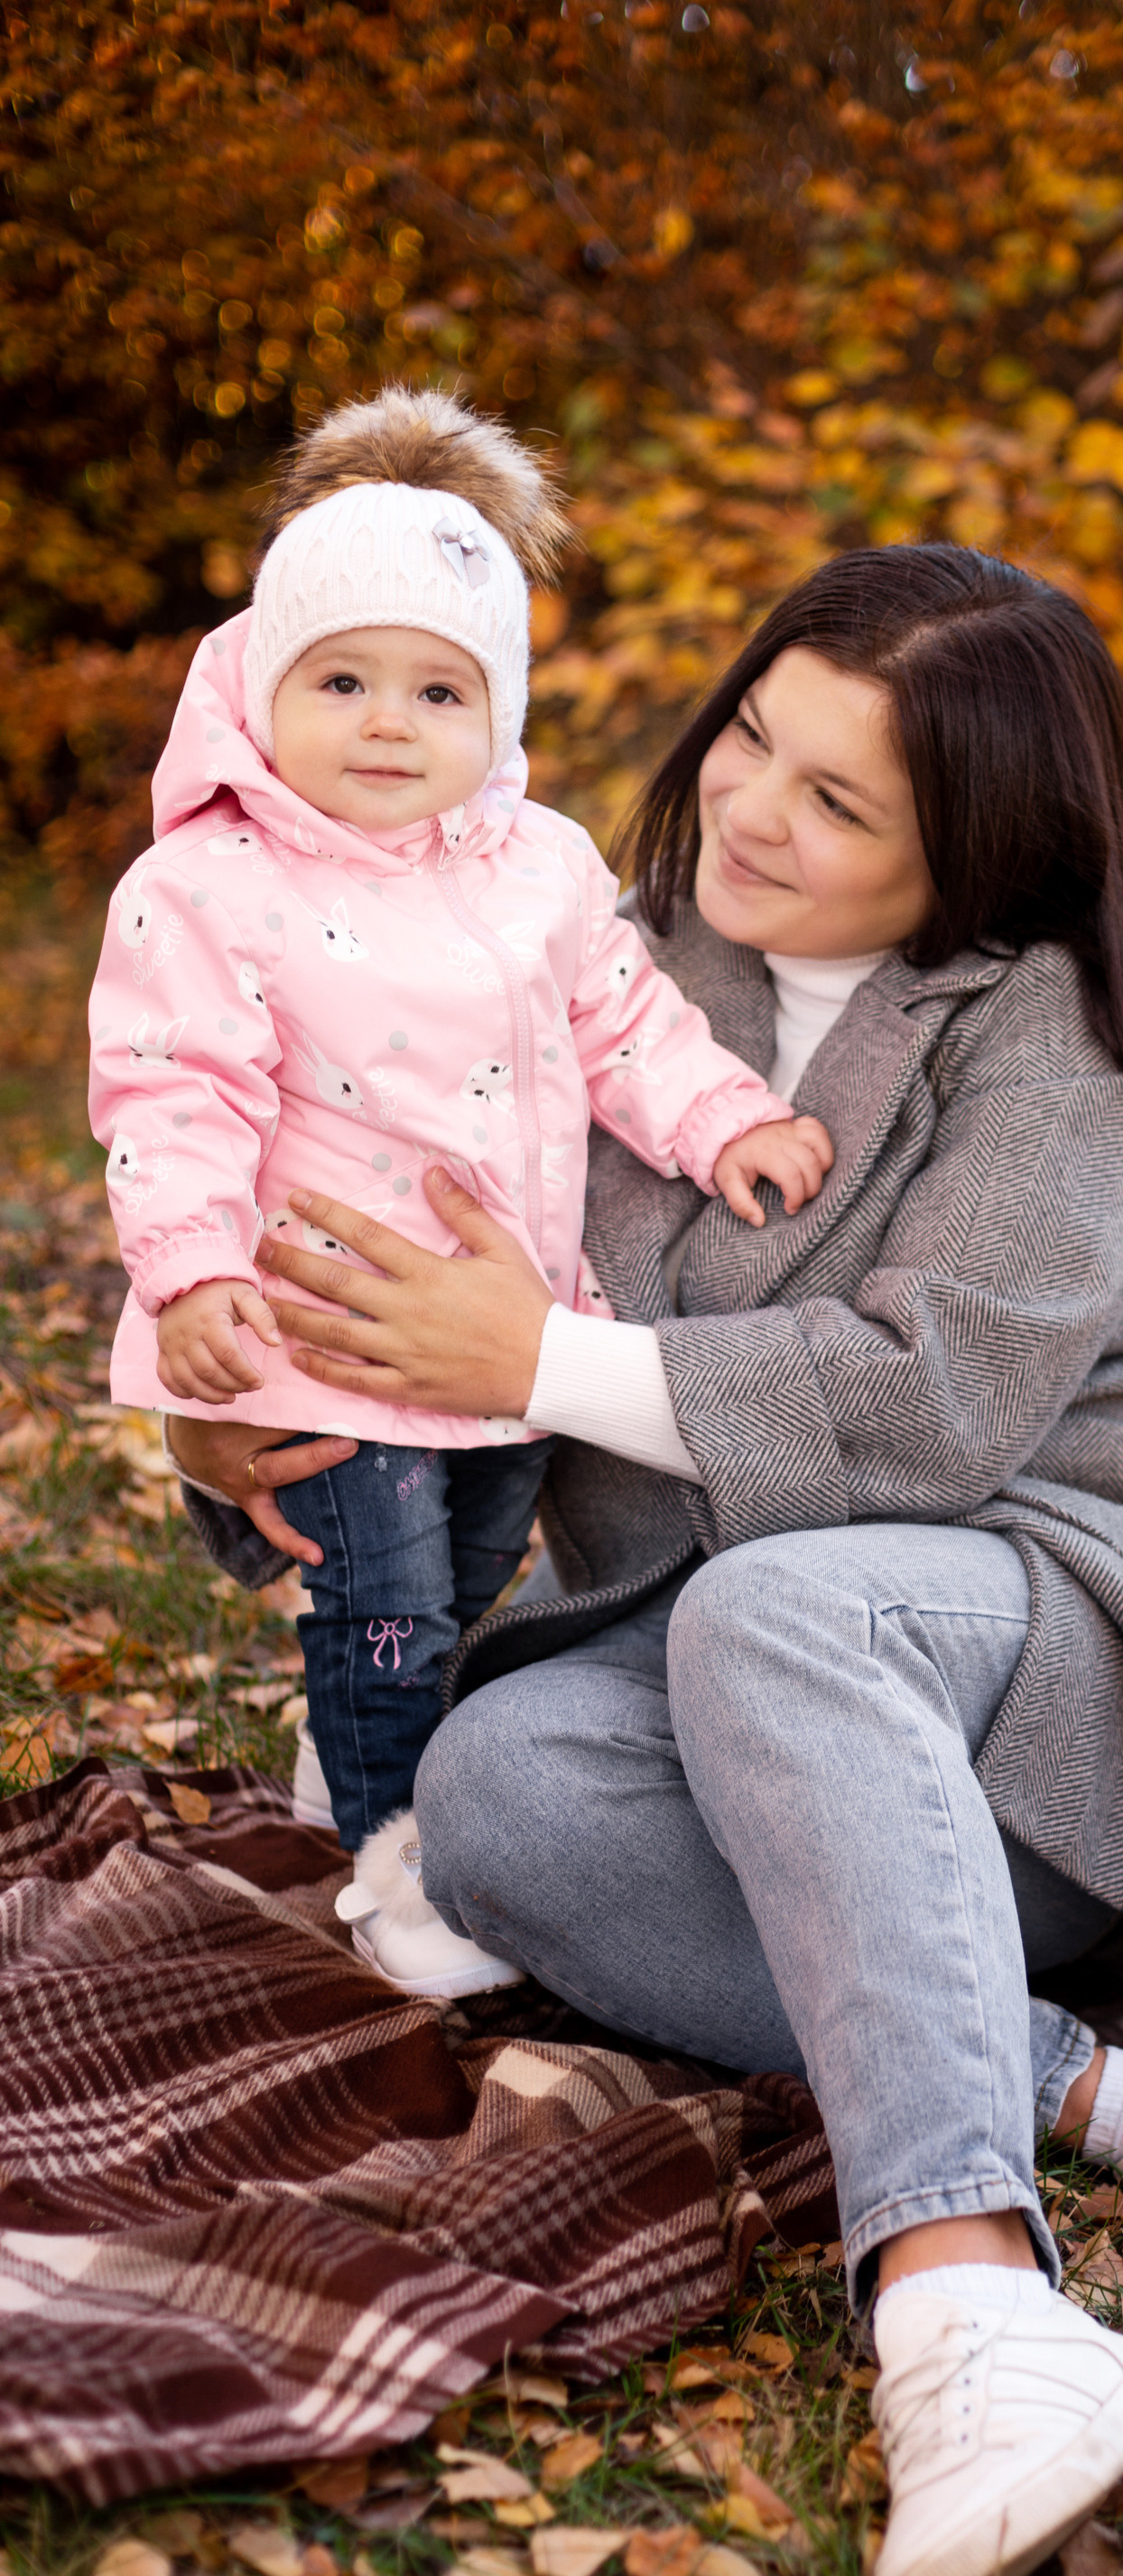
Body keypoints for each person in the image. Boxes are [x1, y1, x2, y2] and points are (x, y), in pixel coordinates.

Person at [167, 542, 1123, 2576]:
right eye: (752, 734)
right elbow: (371, 1267)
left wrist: (536, 1362)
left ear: (977, 855)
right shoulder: (574, 962)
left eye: (838, 804)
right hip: (714, 1689)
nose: (750, 807)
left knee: (791, 1616)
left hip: (1036, 1668)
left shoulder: (1062, 1052)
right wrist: (241, 1421)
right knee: (485, 1797)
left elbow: (933, 1414)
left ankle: (970, 2311)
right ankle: (1097, 2090)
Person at [90, 388, 830, 1996]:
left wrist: (725, 1123)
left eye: (438, 690)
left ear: (493, 716)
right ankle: (390, 1861)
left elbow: (628, 1021)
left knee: (480, 1563)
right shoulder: (211, 885)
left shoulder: (542, 866)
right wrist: (195, 1271)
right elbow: (174, 1089)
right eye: (340, 678)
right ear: (257, 684)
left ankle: (367, 1747)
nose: (383, 722)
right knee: (388, 1611)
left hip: (506, 1330)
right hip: (325, 1323)